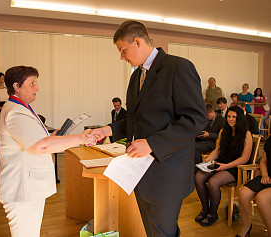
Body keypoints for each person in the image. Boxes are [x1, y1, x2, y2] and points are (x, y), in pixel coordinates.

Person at [86, 20, 207, 237]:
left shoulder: (178, 67)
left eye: (123, 50)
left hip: (167, 172)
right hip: (141, 173)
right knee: (152, 232)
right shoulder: (135, 77)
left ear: (138, 41)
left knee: (163, 233)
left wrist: (151, 144)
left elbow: (195, 119)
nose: (121, 57)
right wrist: (107, 130)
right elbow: (134, 119)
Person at [0, 66, 96, 237]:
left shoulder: (20, 108)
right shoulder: (15, 112)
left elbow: (35, 139)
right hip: (22, 188)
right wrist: (80, 139)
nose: (37, 88)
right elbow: (41, 146)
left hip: (26, 186)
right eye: (32, 83)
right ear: (16, 86)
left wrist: (51, 136)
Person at [195, 106, 253, 227]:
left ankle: (212, 214)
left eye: (234, 117)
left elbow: (245, 158)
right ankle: (205, 209)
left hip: (236, 166)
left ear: (240, 118)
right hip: (221, 162)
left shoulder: (246, 134)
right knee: (198, 177)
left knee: (213, 182)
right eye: (228, 116)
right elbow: (218, 150)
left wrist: (225, 166)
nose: (230, 119)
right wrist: (208, 159)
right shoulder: (223, 131)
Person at [237, 136, 271, 237]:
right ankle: (246, 227)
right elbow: (263, 161)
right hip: (267, 176)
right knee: (243, 194)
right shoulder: (270, 140)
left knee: (262, 197)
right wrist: (264, 174)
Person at [195, 104, 225, 172]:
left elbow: (221, 135)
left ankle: (197, 169)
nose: (207, 117)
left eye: (208, 115)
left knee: (195, 147)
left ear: (213, 111)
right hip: (206, 140)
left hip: (214, 142)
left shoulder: (221, 120)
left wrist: (209, 134)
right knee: (191, 142)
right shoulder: (208, 119)